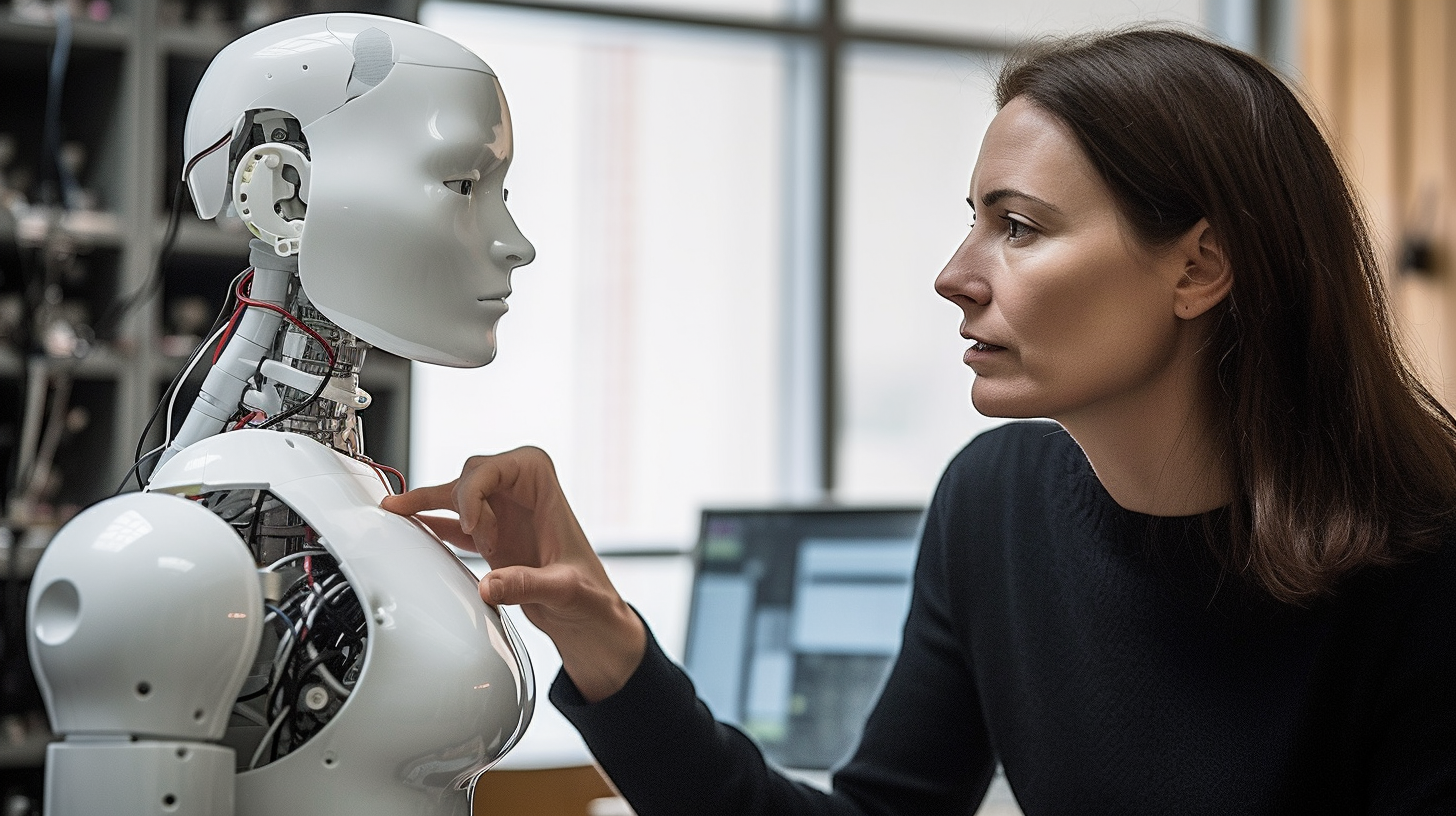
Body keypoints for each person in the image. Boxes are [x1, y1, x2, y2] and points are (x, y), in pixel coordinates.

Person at [383, 27, 1456, 815]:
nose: (953, 276)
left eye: (1019, 228)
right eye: (971, 221)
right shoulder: (993, 503)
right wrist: (607, 644)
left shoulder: (1425, 556)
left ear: (1200, 267)